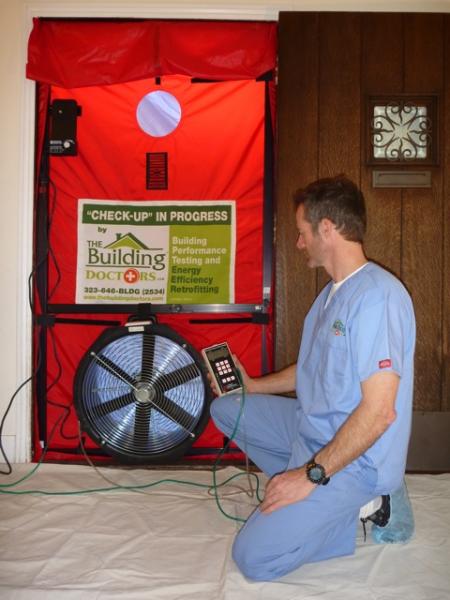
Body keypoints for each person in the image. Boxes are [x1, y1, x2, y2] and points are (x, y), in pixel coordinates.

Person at [210, 175, 416, 581]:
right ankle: (317, 501)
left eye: (303, 233)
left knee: (254, 558)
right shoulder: (329, 295)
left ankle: (366, 503)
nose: (299, 243)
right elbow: (309, 370)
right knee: (228, 408)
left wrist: (310, 476)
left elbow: (378, 413)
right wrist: (252, 385)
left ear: (327, 228)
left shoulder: (379, 297)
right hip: (312, 432)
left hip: (355, 459)